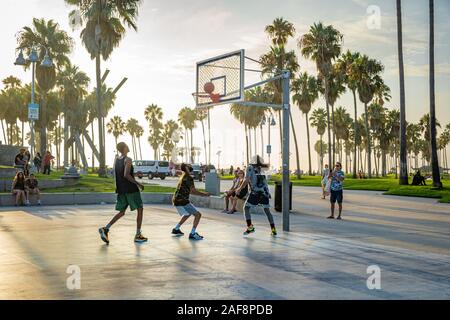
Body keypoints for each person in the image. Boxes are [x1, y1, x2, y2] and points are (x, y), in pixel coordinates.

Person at [98, 142, 148, 245]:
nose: (128, 146)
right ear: (124, 148)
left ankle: (106, 228)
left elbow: (121, 174)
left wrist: (135, 174)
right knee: (140, 209)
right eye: (127, 145)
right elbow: (126, 175)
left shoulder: (117, 160)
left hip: (121, 190)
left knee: (122, 212)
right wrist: (138, 183)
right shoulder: (128, 159)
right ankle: (138, 234)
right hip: (131, 190)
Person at [239, 155, 277, 236]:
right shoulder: (262, 169)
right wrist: (268, 192)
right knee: (267, 211)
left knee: (246, 208)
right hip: (264, 193)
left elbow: (246, 180)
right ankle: (273, 229)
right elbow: (265, 182)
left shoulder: (249, 168)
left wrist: (239, 188)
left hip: (255, 193)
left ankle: (250, 227)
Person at [171, 163, 210, 240]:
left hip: (176, 199)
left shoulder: (183, 175)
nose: (191, 166)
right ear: (186, 168)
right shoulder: (189, 178)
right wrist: (204, 194)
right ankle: (192, 233)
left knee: (188, 213)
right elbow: (193, 191)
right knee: (198, 215)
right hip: (182, 200)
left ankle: (176, 229)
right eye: (189, 166)